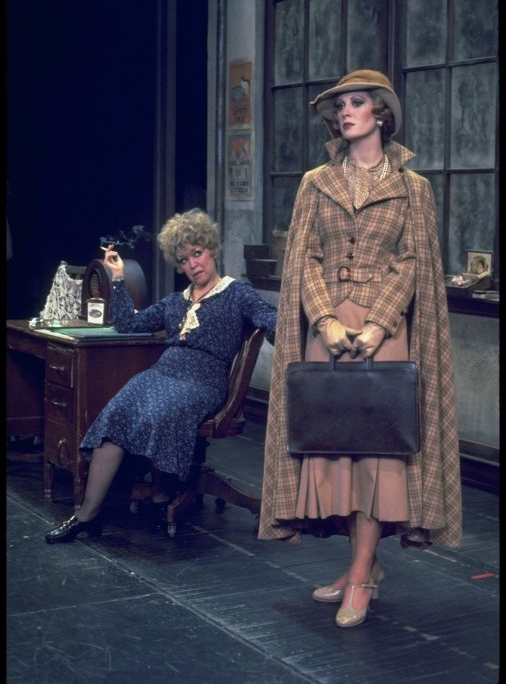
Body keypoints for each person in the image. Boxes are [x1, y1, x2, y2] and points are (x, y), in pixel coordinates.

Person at [258, 69, 462, 628]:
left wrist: (378, 324)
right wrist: (323, 319)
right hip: (330, 331)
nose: (345, 112)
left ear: (381, 114)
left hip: (384, 331)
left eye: (356, 103)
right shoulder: (315, 182)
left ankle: (361, 575)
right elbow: (303, 260)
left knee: (376, 456)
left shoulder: (412, 187)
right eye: (340, 105)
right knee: (339, 452)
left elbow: (415, 261)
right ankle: (360, 567)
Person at [46, 209, 277, 543]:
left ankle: (161, 491)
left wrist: (297, 333)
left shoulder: (236, 293)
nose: (193, 264)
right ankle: (87, 515)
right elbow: (127, 324)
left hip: (203, 381)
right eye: (184, 260)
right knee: (117, 413)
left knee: (159, 410)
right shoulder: (175, 302)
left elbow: (267, 317)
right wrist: (118, 277)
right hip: (161, 373)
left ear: (211, 250)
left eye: (197, 253)